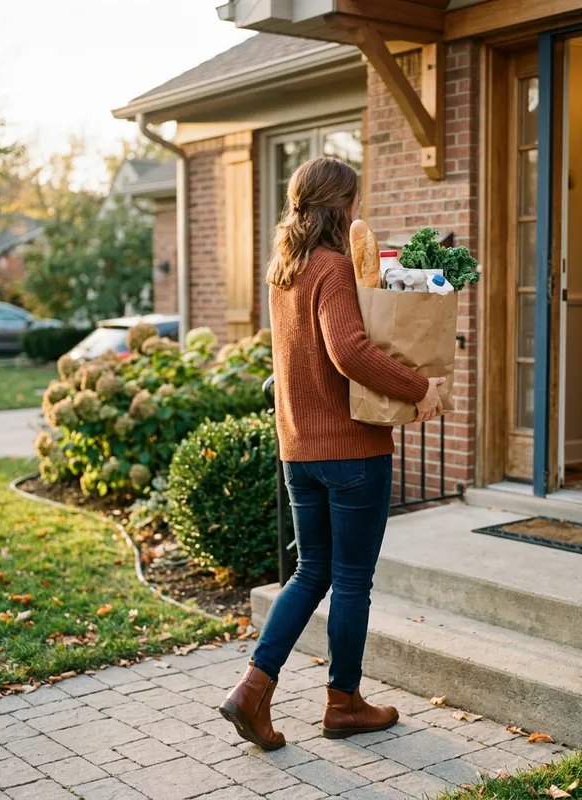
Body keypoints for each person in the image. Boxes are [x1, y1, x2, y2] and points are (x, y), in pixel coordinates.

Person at [217, 157, 444, 750]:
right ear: (340, 206)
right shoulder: (332, 267)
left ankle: (252, 689)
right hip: (352, 452)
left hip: (299, 450)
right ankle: (343, 704)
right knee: (349, 580)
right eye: (357, 202)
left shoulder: (283, 271)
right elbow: (349, 351)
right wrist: (421, 388)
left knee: (311, 571)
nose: (360, 211)